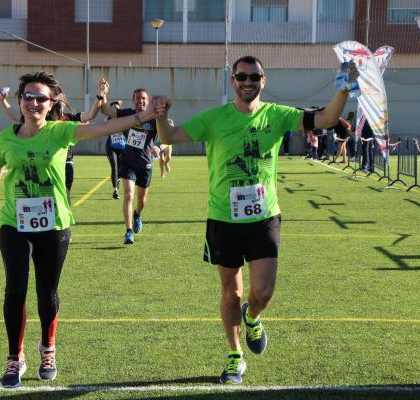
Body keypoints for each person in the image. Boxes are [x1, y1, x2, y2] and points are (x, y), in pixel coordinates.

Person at [152, 56, 358, 384]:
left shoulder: (277, 115)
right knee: (230, 292)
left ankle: (253, 317)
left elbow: (328, 117)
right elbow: (170, 137)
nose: (247, 82)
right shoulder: (214, 118)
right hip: (223, 217)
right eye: (241, 76)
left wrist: (344, 88)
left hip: (264, 216)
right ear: (232, 81)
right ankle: (235, 355)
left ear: (264, 80)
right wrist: (160, 117)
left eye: (254, 77)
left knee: (262, 292)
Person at [0, 72, 156, 389]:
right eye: (28, 96)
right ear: (20, 101)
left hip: (54, 225)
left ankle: (48, 349)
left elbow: (105, 126)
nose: (34, 103)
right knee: (14, 290)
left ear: (51, 103)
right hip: (14, 223)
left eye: (41, 98)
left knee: (46, 294)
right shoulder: (5, 138)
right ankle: (15, 357)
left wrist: (145, 116)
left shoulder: (61, 132)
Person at [0, 81, 107, 205]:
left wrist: (100, 95)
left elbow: (91, 115)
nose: (60, 104)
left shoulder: (69, 118)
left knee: (65, 194)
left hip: (65, 162)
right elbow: (15, 115)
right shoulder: (41, 118)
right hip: (42, 160)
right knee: (40, 192)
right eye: (58, 101)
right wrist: (3, 101)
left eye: (62, 101)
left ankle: (65, 219)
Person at [100, 85, 161, 245]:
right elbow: (106, 111)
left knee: (142, 200)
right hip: (128, 163)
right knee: (128, 195)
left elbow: (168, 138)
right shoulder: (128, 114)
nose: (140, 100)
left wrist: (159, 147)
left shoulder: (154, 119)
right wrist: (103, 94)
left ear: (147, 101)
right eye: (138, 98)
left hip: (145, 164)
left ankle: (137, 214)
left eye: (143, 98)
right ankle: (128, 231)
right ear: (133, 100)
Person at [104, 100, 126, 199]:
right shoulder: (108, 120)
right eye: (113, 108)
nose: (115, 109)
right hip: (111, 147)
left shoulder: (124, 119)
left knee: (121, 169)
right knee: (114, 167)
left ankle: (118, 180)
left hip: (122, 148)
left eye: (117, 108)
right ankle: (115, 190)